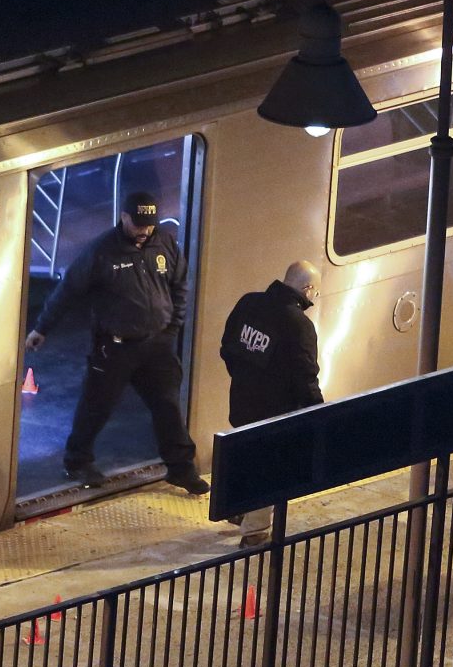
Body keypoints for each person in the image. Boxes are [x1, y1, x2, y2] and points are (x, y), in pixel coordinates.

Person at [26, 190, 208, 494]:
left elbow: (179, 283)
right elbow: (68, 290)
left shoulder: (163, 242)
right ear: (123, 217)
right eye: (138, 224)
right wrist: (42, 328)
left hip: (156, 345)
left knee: (168, 406)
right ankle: (77, 460)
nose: (144, 230)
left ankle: (181, 468)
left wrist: (172, 326)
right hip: (115, 347)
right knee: (96, 406)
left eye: (149, 224)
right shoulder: (102, 252)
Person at [218, 260, 324, 546]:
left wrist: (244, 377)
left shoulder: (248, 304)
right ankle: (255, 531)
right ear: (308, 289)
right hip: (275, 412)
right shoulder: (299, 325)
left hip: (241, 400)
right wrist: (318, 409)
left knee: (245, 454)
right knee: (270, 466)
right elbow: (305, 376)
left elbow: (227, 347)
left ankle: (236, 507)